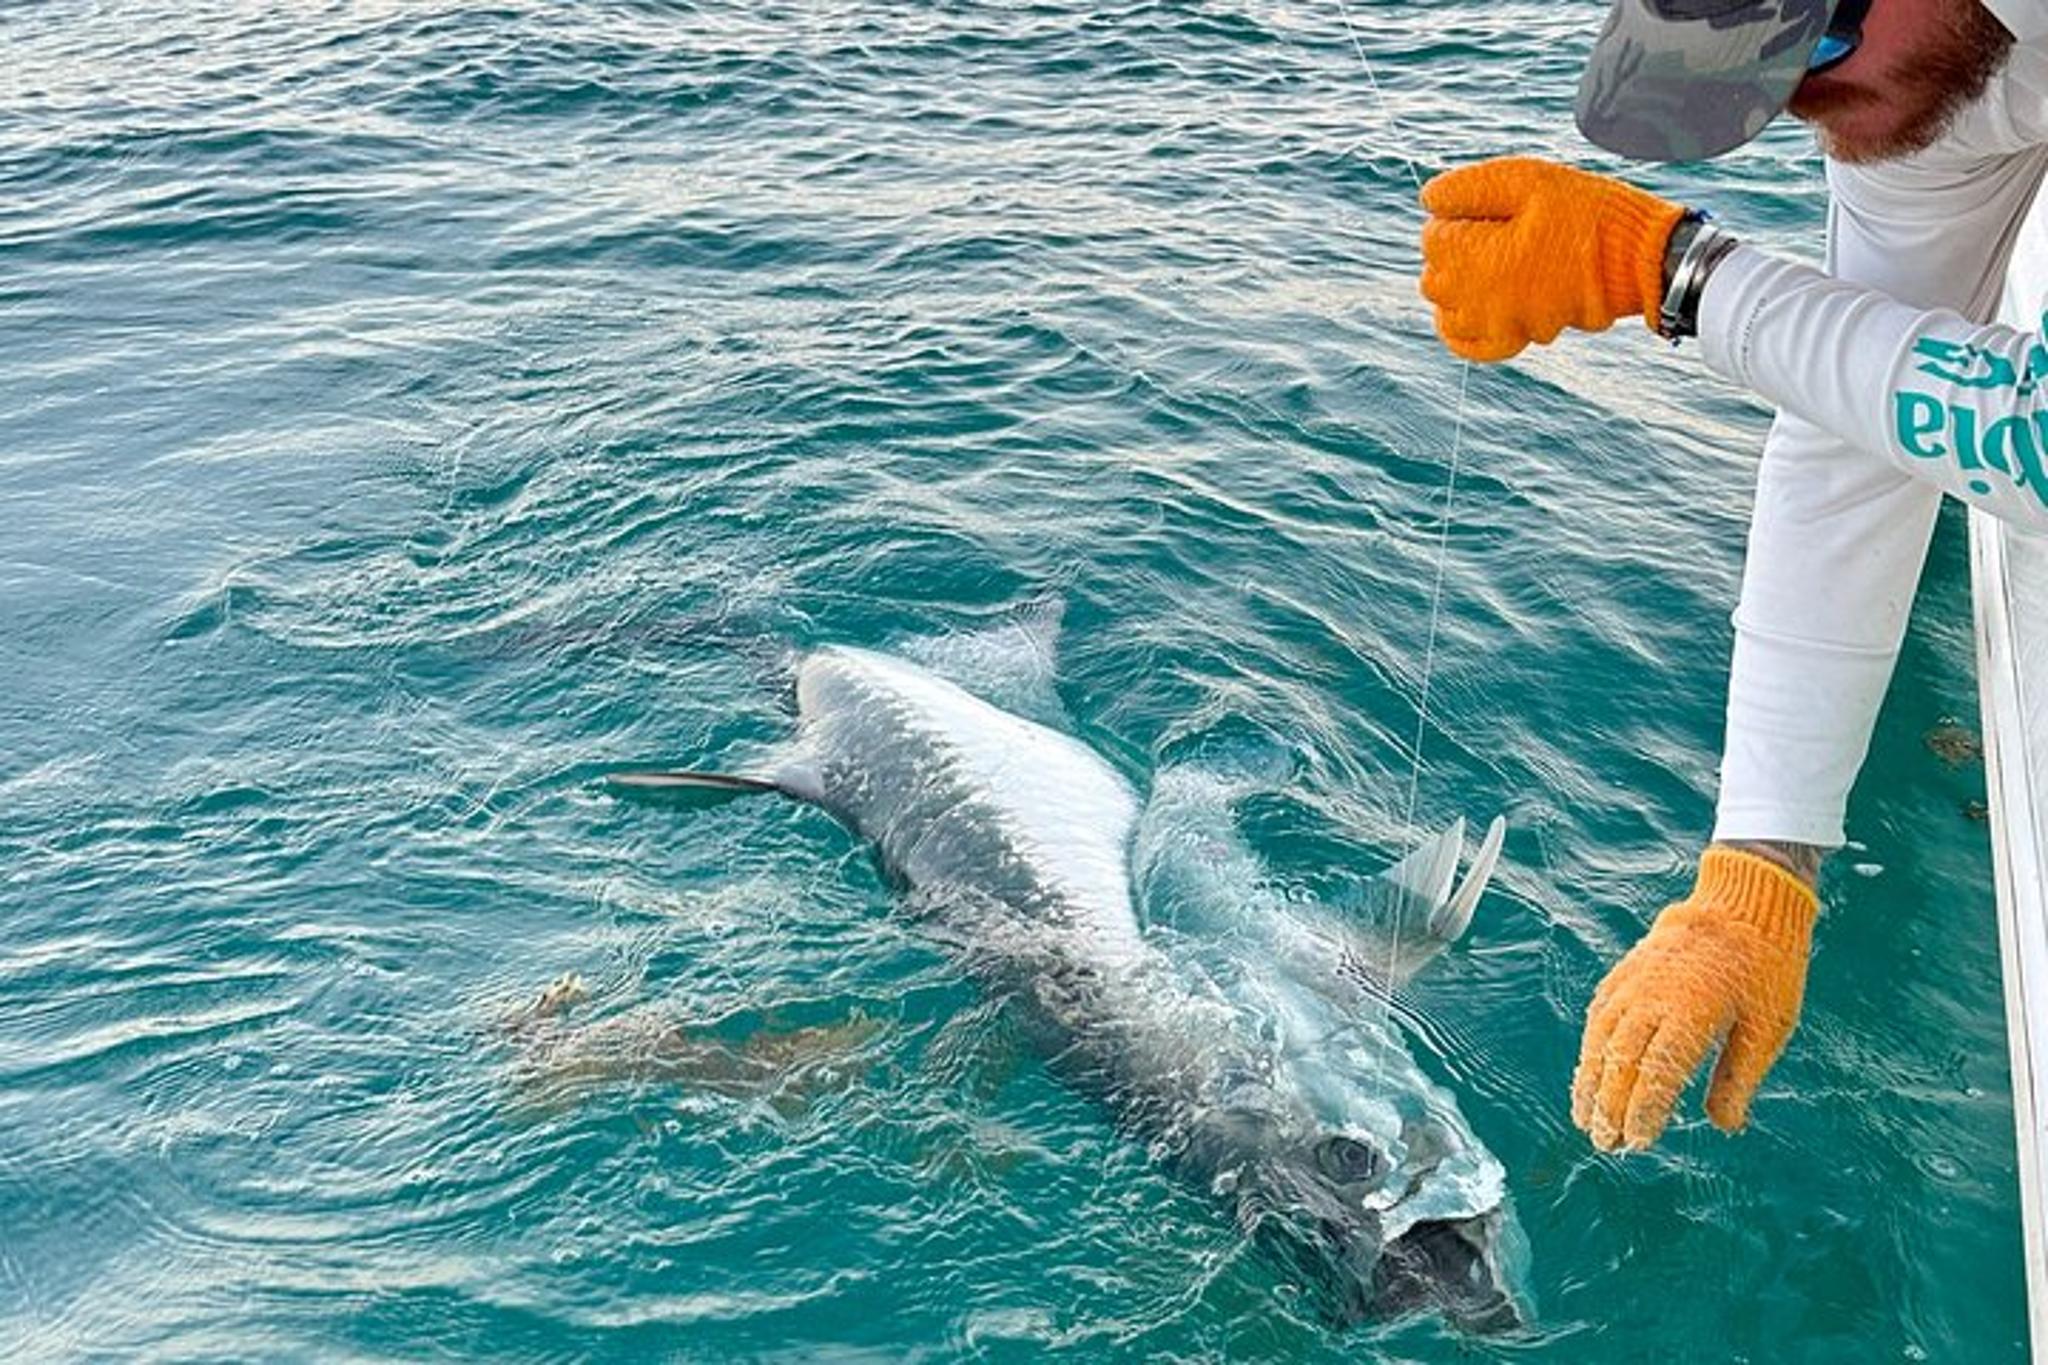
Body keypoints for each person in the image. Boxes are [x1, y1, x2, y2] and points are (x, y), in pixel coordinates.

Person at [1417, 0, 2048, 1151]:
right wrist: (1757, 862)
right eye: (1754, 86)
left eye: (1806, 48)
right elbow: (1852, 424)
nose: (1804, 106)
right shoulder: (1909, 75)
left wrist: (1676, 274)